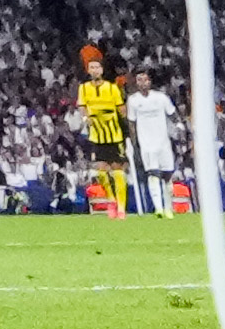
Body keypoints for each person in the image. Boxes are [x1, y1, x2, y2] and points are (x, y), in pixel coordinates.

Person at [75, 47, 129, 212]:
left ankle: (121, 208)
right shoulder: (84, 89)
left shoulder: (112, 88)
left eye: (97, 67)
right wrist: (86, 119)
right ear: (88, 70)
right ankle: (111, 200)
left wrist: (126, 128)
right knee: (101, 170)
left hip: (114, 133)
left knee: (117, 169)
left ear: (102, 70)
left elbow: (121, 109)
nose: (95, 70)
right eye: (91, 67)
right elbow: (82, 107)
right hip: (97, 134)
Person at [122, 68, 178, 217]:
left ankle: (168, 207)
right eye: (139, 80)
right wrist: (135, 145)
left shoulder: (161, 98)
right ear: (136, 82)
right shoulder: (133, 101)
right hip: (147, 143)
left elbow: (173, 114)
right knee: (153, 174)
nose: (142, 83)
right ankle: (158, 208)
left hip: (163, 142)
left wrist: (180, 128)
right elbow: (131, 123)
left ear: (150, 81)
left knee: (167, 175)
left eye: (145, 80)